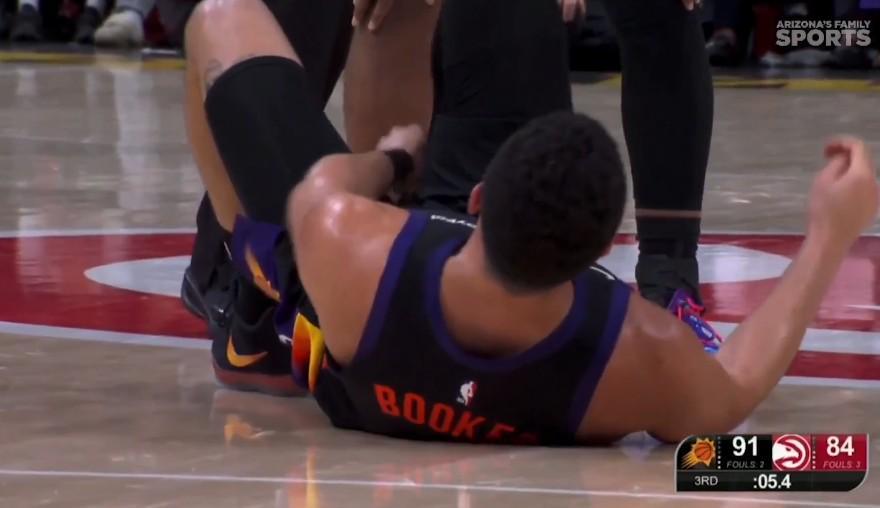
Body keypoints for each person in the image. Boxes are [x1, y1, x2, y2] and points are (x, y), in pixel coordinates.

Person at [184, 0, 879, 443]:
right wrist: (828, 238)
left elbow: (325, 191)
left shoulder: (348, 236)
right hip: (407, 311)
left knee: (219, 17)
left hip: (350, 303)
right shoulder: (632, 356)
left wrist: (395, 159)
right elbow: (736, 390)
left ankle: (249, 306)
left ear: (479, 198)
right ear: (600, 253)